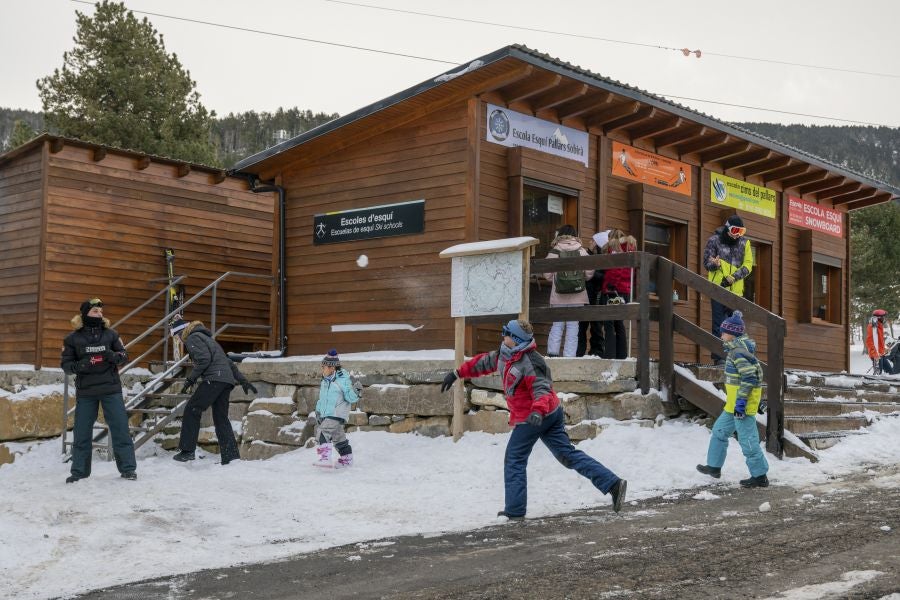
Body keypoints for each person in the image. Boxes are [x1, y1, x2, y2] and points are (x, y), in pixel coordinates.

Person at [440, 319, 627, 519]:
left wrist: (537, 411)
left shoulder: (531, 362)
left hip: (535, 415)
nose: (502, 335)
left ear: (516, 339)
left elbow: (542, 390)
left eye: (506, 332)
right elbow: (483, 362)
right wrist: (457, 373)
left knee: (514, 458)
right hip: (545, 413)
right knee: (567, 455)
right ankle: (612, 483)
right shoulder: (504, 354)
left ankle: (515, 510)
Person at [61, 298, 137, 483]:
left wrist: (114, 356)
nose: (100, 314)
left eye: (101, 312)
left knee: (120, 429)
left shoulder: (111, 335)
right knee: (81, 432)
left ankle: (128, 470)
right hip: (86, 392)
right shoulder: (72, 339)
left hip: (111, 389)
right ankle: (79, 472)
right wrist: (81, 364)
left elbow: (124, 355)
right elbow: (66, 365)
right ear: (85, 313)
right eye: (95, 311)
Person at [696, 311, 769, 488]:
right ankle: (714, 467)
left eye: (723, 332)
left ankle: (760, 476)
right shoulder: (735, 351)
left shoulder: (738, 353)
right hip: (733, 405)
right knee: (719, 431)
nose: (721, 335)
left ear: (733, 333)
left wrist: (744, 403)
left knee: (748, 440)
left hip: (740, 407)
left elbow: (750, 379)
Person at [170, 317, 256, 465]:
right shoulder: (207, 338)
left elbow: (204, 360)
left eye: (177, 335)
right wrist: (243, 381)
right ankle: (231, 457)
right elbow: (228, 362)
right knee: (221, 418)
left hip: (214, 379)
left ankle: (187, 451)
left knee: (192, 409)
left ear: (182, 331)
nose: (179, 339)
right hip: (226, 381)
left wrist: (191, 379)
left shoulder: (192, 338)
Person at [703, 215, 753, 364]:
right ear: (728, 228)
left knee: (735, 326)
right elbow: (706, 263)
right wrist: (715, 264)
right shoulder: (714, 240)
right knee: (719, 324)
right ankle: (719, 358)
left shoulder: (745, 243)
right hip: (717, 288)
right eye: (735, 230)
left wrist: (734, 277)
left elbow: (748, 265)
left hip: (736, 292)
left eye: (741, 231)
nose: (737, 234)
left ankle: (734, 358)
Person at [545, 224, 594, 358]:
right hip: (577, 295)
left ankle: (553, 354)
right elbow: (589, 273)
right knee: (573, 327)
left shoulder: (555, 250)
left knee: (557, 325)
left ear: (560, 234)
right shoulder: (581, 250)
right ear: (575, 235)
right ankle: (569, 356)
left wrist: (556, 279)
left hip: (558, 295)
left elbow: (547, 274)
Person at [314, 349, 361, 468]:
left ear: (332, 368)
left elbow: (350, 397)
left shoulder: (342, 380)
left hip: (337, 413)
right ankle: (347, 459)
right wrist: (319, 411)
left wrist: (356, 392)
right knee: (338, 437)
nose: (322, 369)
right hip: (328, 414)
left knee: (322, 432)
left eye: (324, 367)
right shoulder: (325, 381)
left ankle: (324, 458)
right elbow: (322, 398)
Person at [599, 229, 637, 360]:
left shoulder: (616, 247)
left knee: (609, 322)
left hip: (614, 289)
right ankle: (621, 353)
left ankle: (610, 353)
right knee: (619, 322)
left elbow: (616, 269)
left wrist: (611, 285)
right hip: (625, 289)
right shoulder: (630, 248)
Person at [577, 230, 607, 357]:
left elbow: (603, 276)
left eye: (593, 241)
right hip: (585, 294)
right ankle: (579, 352)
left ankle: (597, 351)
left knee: (596, 326)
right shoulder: (590, 255)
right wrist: (589, 250)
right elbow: (586, 264)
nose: (590, 242)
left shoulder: (604, 258)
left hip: (597, 295)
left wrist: (591, 274)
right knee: (582, 326)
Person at [865, 309, 889, 375]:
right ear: (879, 318)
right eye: (883, 317)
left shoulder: (879, 326)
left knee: (890, 371)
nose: (885, 319)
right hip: (876, 355)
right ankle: (872, 385)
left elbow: (879, 341)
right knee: (878, 375)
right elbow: (869, 342)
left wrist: (885, 348)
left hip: (881, 354)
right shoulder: (872, 327)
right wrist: (875, 354)